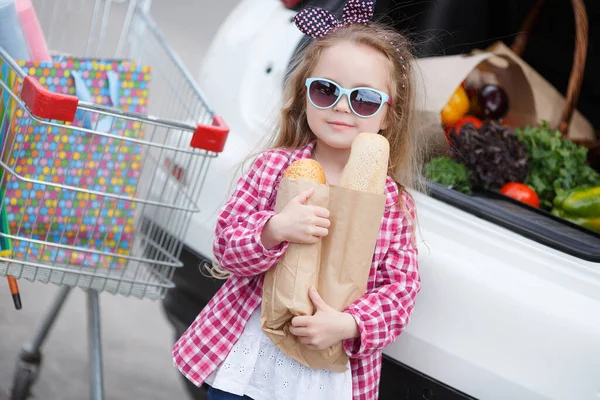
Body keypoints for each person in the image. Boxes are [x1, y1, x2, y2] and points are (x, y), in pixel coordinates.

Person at [173, 1, 428, 399]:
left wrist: (349, 324)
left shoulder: (391, 203)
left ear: (388, 116)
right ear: (304, 94)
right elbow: (225, 246)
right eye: (326, 90)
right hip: (251, 354)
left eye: (363, 99)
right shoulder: (271, 169)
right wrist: (273, 229)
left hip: (323, 374)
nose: (342, 106)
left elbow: (400, 290)